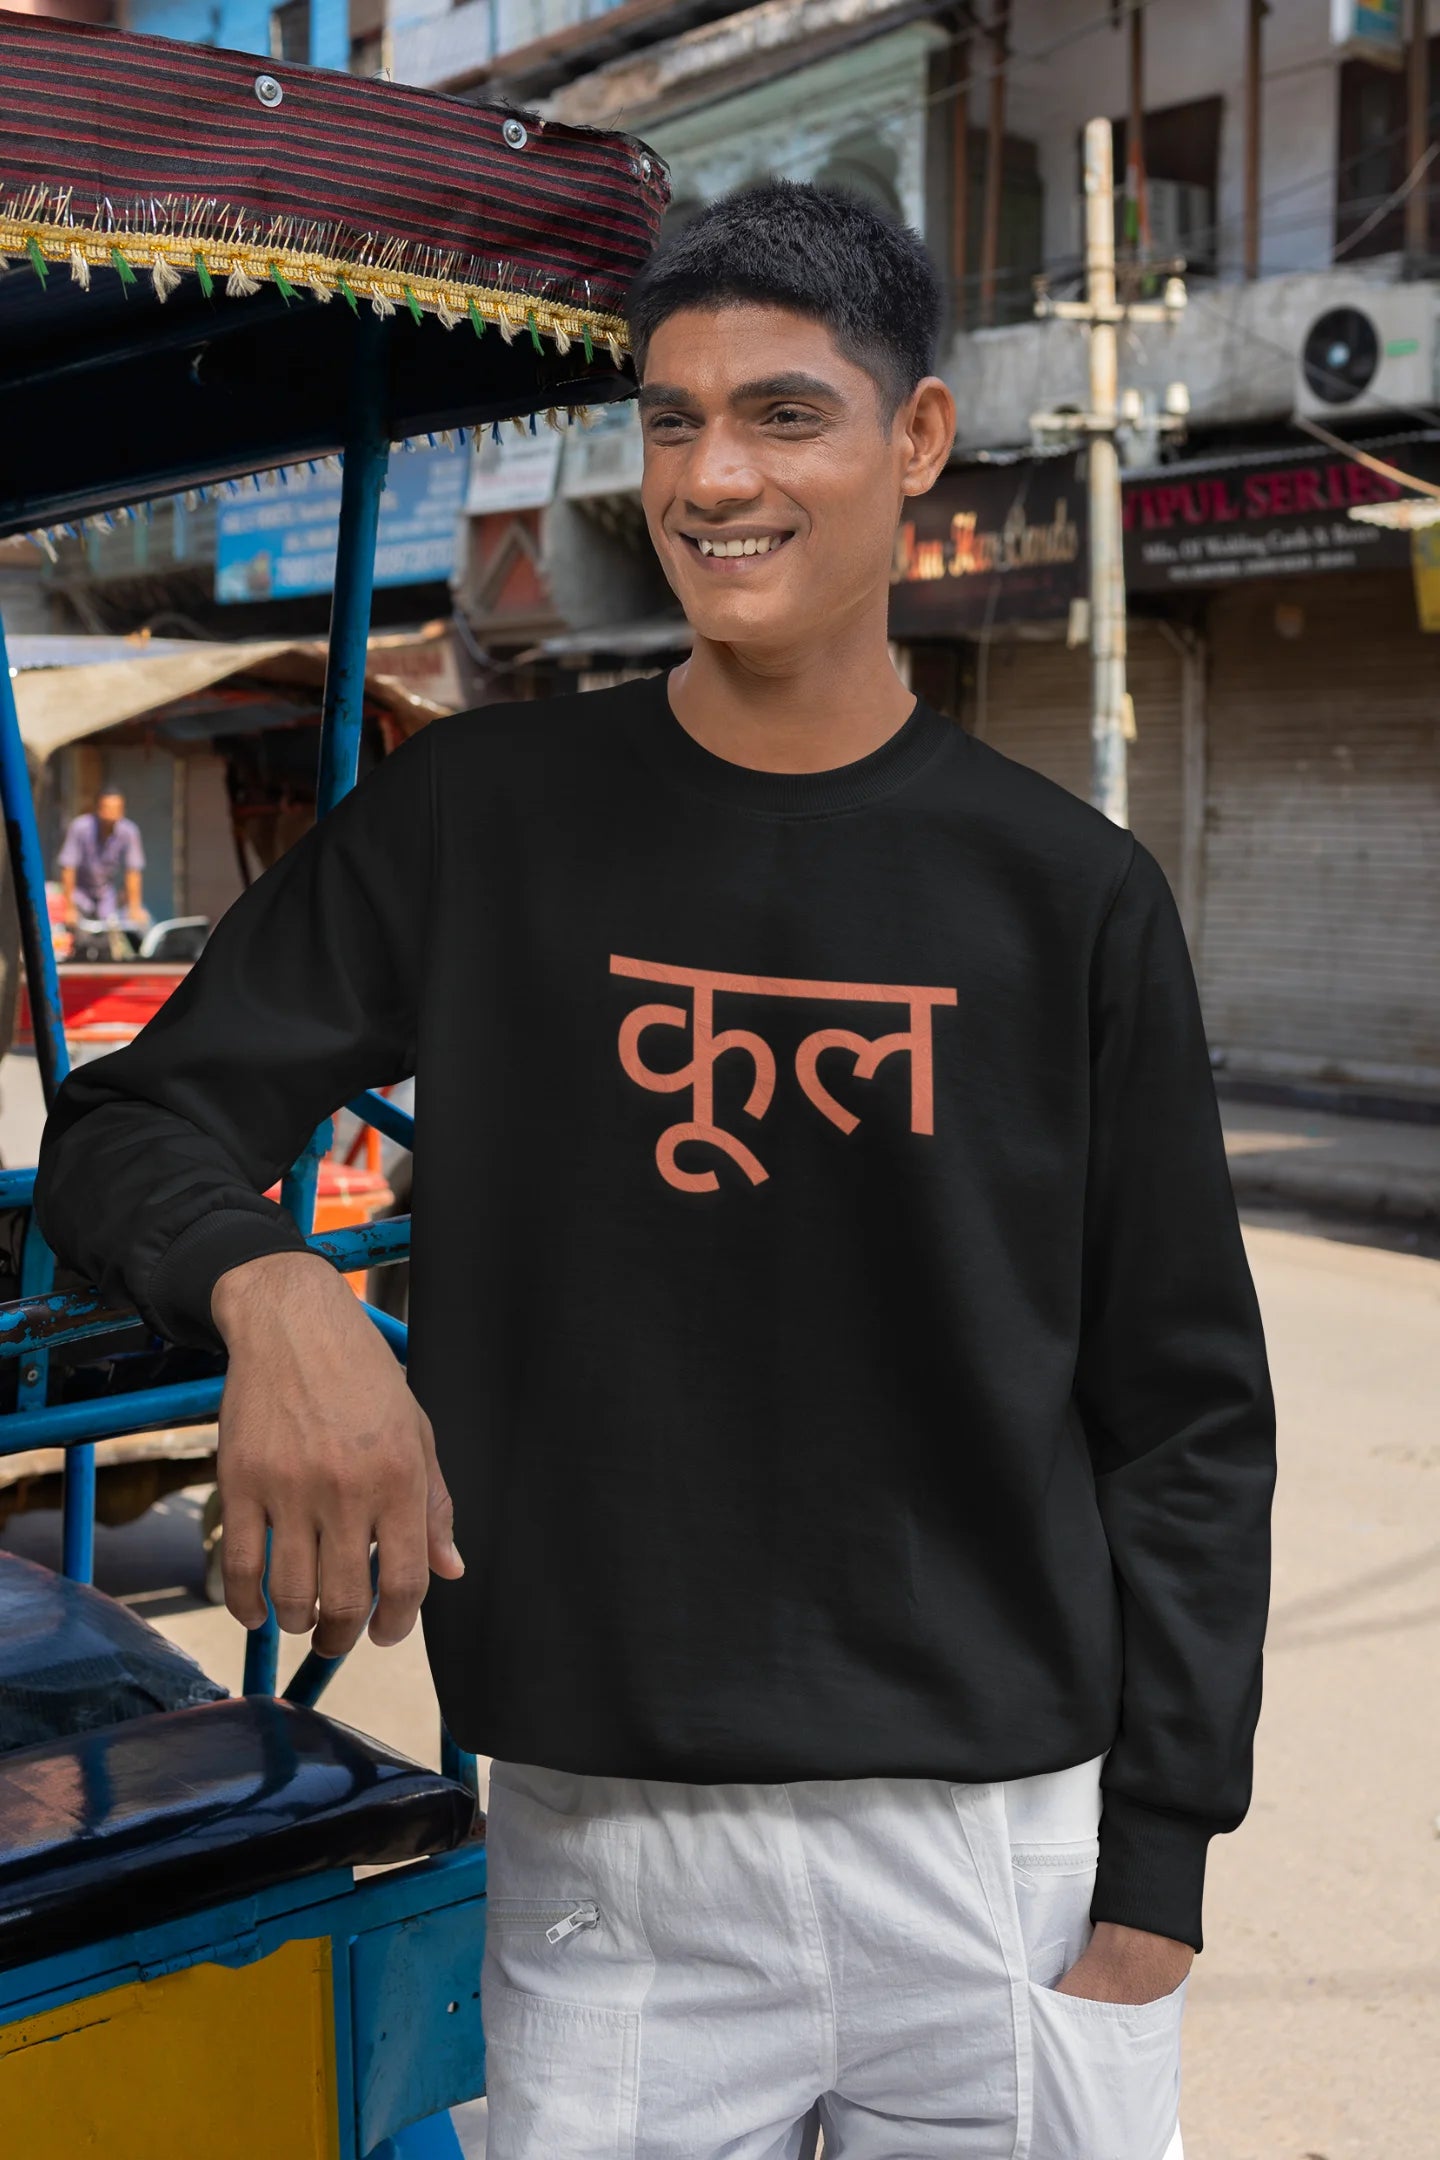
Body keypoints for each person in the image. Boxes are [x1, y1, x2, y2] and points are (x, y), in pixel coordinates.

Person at [34, 184, 1275, 2160]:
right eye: (671, 419)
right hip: (609, 1854)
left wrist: (1155, 1886)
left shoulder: (1070, 898)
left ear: (919, 442)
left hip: (994, 1860)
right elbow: (128, 1125)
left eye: (783, 415)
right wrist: (285, 1300)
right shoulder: (483, 824)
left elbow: (1189, 1415)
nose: (712, 478)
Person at [56, 788, 149, 928]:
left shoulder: (129, 831)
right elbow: (68, 867)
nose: (112, 813)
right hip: (79, 893)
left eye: (117, 809)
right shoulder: (80, 827)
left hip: (106, 894)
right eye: (108, 808)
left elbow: (133, 870)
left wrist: (134, 908)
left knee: (134, 927)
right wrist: (69, 908)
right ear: (98, 809)